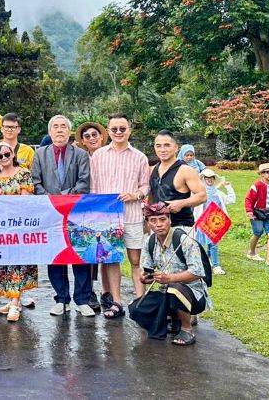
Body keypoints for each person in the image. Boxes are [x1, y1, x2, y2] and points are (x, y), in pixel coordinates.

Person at [31, 115, 93, 317]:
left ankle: (82, 300)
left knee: (80, 255)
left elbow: (84, 182)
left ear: (69, 131)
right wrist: (51, 200)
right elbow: (35, 183)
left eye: (63, 126)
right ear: (50, 132)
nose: (59, 130)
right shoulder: (40, 154)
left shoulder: (81, 154)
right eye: (55, 127)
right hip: (50, 213)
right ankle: (61, 299)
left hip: (76, 212)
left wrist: (62, 198)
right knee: (56, 256)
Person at [89, 113, 149, 319]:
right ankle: (116, 301)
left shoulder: (139, 157)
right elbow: (93, 187)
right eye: (114, 129)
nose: (118, 132)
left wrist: (136, 195)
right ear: (108, 131)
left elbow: (145, 186)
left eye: (122, 128)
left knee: (135, 260)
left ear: (129, 130)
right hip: (107, 218)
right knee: (111, 259)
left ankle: (141, 302)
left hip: (131, 214)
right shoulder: (98, 156)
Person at [0, 113, 37, 308]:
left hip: (18, 214)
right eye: (6, 126)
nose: (9, 130)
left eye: (13, 127)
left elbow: (33, 175)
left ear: (19, 129)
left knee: (19, 256)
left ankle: (19, 293)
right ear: (1, 128)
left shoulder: (28, 151)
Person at [137, 202, 210, 346]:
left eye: (162, 219)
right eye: (153, 220)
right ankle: (174, 320)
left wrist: (170, 278)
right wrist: (144, 277)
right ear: (148, 223)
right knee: (136, 309)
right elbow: (146, 268)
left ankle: (187, 329)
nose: (158, 224)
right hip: (165, 292)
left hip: (193, 295)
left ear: (170, 220)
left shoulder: (184, 240)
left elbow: (198, 272)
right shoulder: (149, 242)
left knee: (174, 288)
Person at [149, 131, 206, 229]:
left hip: (181, 227)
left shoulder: (185, 170)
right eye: (158, 146)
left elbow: (202, 196)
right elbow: (151, 196)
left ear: (176, 148)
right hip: (157, 227)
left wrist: (181, 203)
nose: (162, 149)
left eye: (167, 145)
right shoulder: (152, 169)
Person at [193, 169, 236, 275]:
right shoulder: (199, 193)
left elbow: (231, 200)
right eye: (207, 178)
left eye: (211, 178)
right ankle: (205, 262)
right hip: (202, 222)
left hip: (214, 222)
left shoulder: (218, 193)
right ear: (203, 179)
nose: (209, 180)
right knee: (200, 244)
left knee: (213, 243)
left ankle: (216, 265)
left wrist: (228, 187)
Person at [244, 163, 269, 268]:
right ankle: (251, 252)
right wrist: (249, 212)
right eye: (268, 172)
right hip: (257, 214)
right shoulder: (256, 185)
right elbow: (248, 199)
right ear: (261, 174)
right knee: (258, 233)